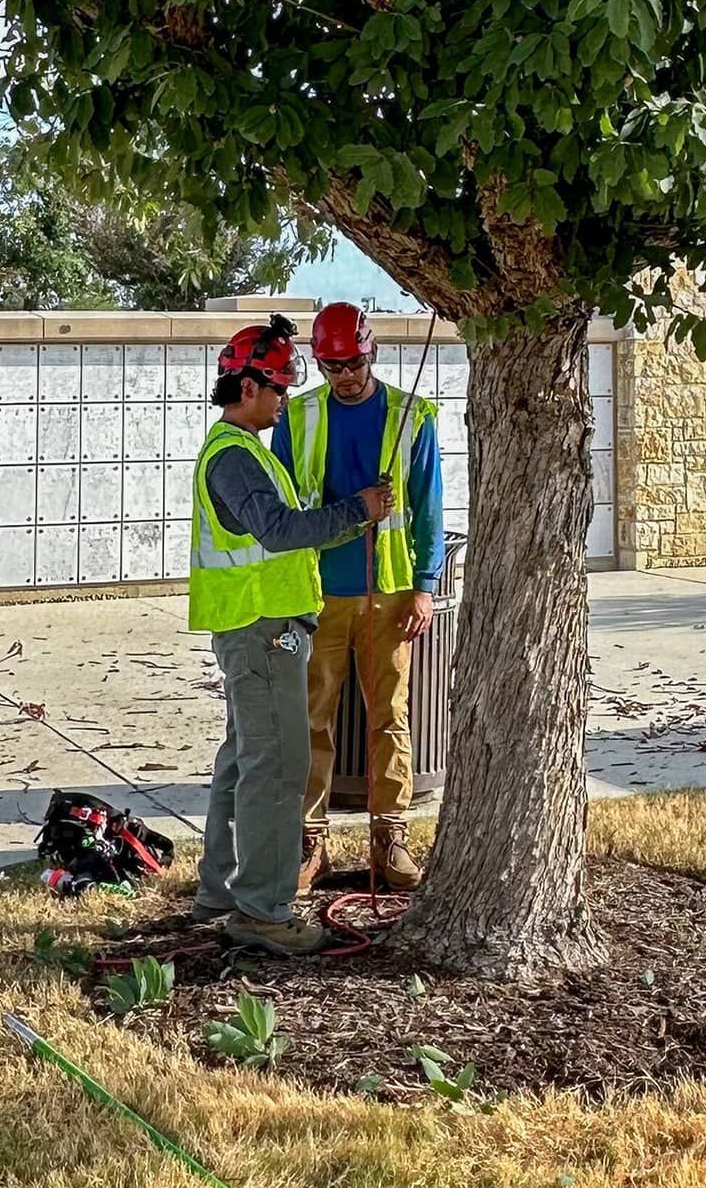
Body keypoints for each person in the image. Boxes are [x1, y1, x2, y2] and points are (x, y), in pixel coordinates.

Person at [188, 313, 393, 955]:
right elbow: (279, 532)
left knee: (242, 761)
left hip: (255, 629)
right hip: (262, 632)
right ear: (245, 387)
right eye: (277, 388)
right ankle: (264, 912)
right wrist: (357, 511)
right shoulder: (236, 459)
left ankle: (219, 890)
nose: (284, 400)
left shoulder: (245, 451)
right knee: (279, 768)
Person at [273, 302, 445, 893]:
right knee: (311, 720)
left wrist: (426, 586)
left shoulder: (410, 415)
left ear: (371, 351)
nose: (344, 374)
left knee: (389, 716)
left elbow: (430, 507)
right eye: (330, 364)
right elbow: (285, 510)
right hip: (319, 592)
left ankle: (390, 837)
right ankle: (310, 842)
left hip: (391, 593)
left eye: (352, 361)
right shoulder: (296, 420)